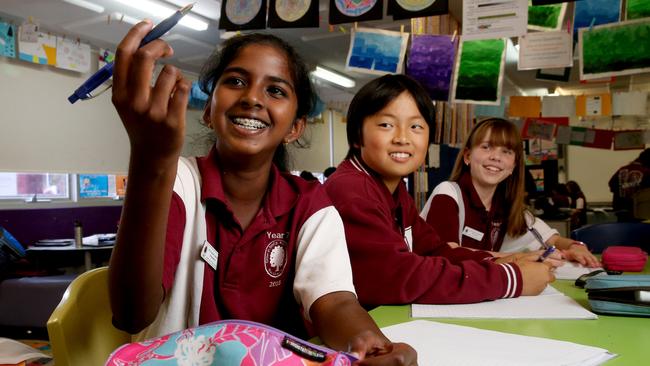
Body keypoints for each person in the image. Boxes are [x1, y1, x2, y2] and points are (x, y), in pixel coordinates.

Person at [108, 22, 415, 365]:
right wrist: (151, 161)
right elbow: (131, 315)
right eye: (236, 81)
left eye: (276, 91)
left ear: (295, 127)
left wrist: (365, 342)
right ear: (208, 111)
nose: (252, 98)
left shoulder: (309, 203)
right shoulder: (176, 179)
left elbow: (335, 301)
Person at [324, 75, 555, 308]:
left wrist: (504, 261)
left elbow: (434, 250)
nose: (402, 138)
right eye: (386, 125)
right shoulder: (352, 189)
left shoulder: (393, 190)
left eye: (416, 127)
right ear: (356, 135)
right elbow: (397, 277)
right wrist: (511, 279)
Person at [422, 118, 599, 268]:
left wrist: (577, 247)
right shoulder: (447, 193)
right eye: (486, 147)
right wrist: (516, 258)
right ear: (467, 156)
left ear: (513, 166)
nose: (496, 157)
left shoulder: (508, 207)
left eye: (506, 151)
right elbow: (445, 253)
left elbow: (552, 239)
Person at [608, 148, 650, 222]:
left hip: (620, 208)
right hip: (639, 211)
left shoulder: (622, 169)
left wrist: (624, 187)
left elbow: (611, 184)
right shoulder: (647, 172)